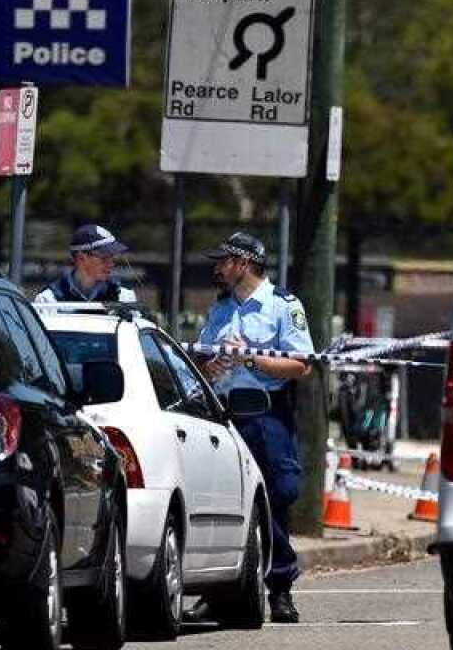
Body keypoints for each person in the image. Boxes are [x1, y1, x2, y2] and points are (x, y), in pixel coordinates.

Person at [188, 232, 313, 625]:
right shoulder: (221, 309)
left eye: (224, 261)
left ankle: (280, 589)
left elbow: (301, 364)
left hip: (267, 416)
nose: (218, 268)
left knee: (276, 496)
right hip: (225, 415)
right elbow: (203, 365)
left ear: (243, 263)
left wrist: (251, 360)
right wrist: (215, 366)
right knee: (221, 501)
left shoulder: (283, 306)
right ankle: (218, 589)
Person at [33, 224, 137, 303]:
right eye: (104, 257)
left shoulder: (124, 297)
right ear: (81, 258)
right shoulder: (49, 300)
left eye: (111, 258)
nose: (111, 264)